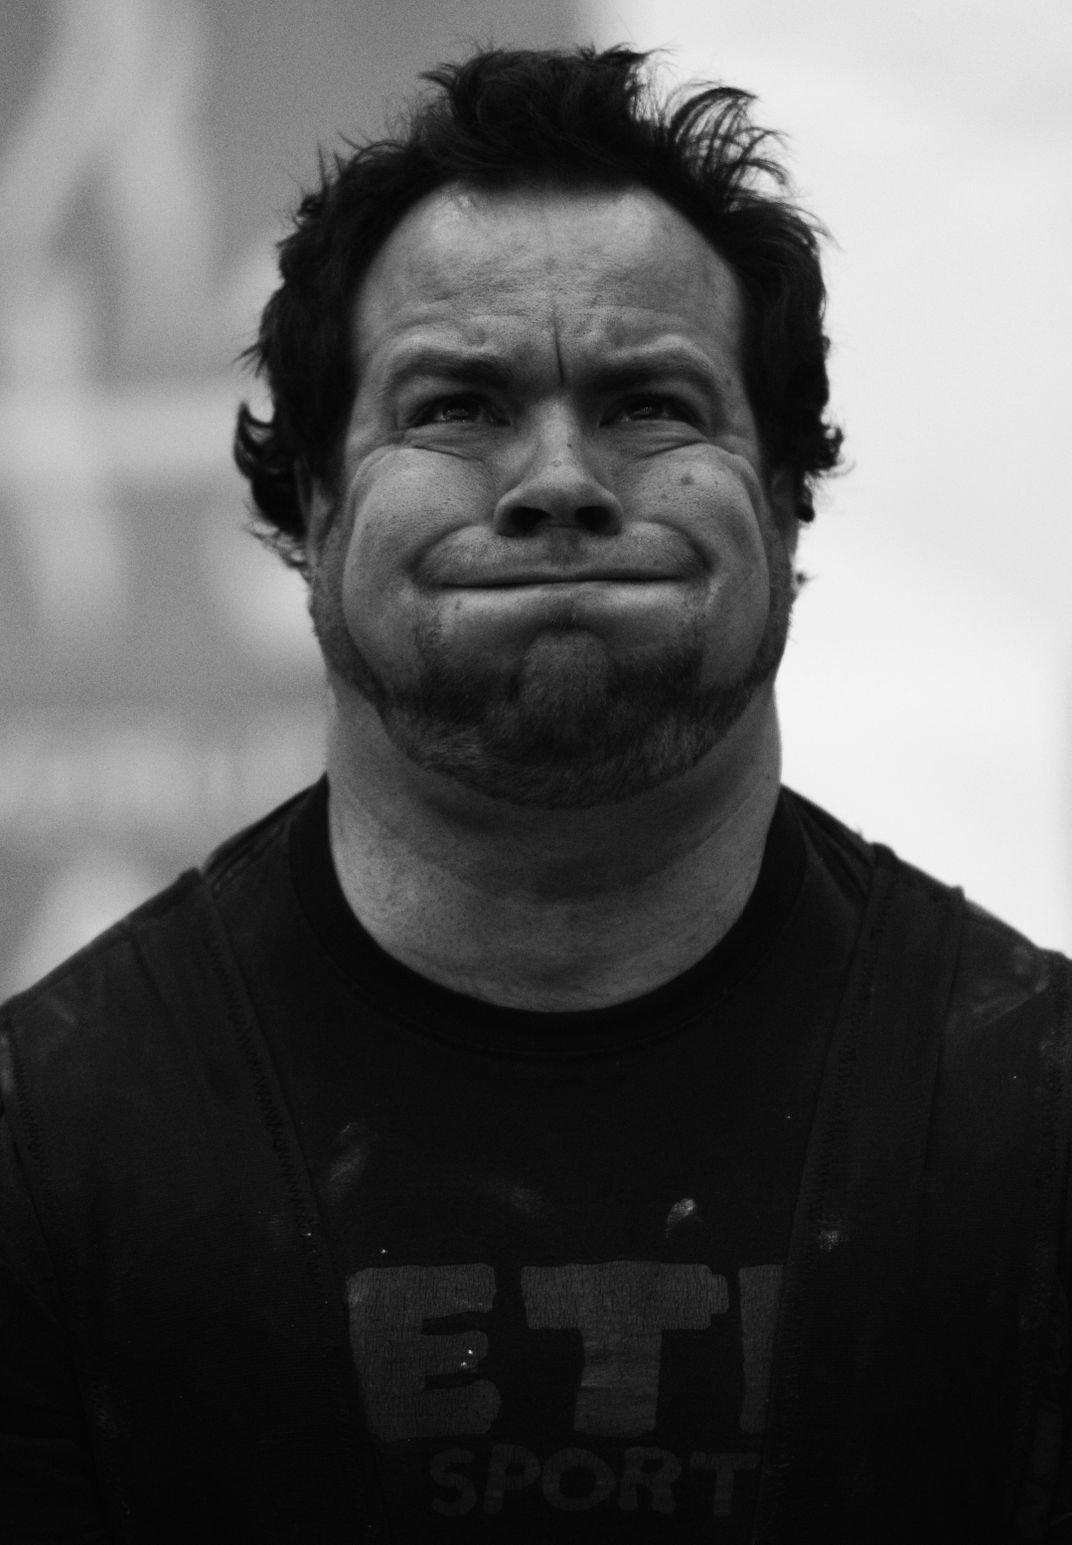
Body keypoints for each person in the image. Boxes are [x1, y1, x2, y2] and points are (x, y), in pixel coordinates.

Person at [1, 44, 1069, 1545]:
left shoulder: (1038, 1112)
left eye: (648, 404)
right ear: (313, 503)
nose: (558, 479)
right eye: (457, 406)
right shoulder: (44, 1150)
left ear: (785, 500)